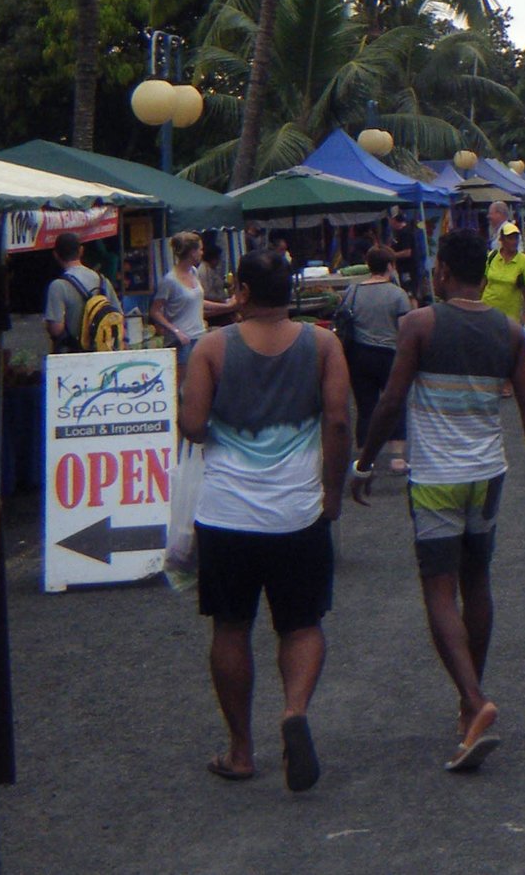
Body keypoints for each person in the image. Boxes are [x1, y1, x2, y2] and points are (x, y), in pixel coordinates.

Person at [349, 230, 525, 774]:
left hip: (437, 476)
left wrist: (365, 459)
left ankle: (472, 699)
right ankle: (471, 703)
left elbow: (392, 398)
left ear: (441, 271)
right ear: (485, 276)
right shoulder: (509, 331)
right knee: (477, 581)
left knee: (439, 592)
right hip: (488, 474)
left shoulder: (420, 325)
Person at [180, 247, 352, 791]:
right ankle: (294, 711)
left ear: (244, 294)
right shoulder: (324, 345)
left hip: (225, 514)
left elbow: (193, 425)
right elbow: (338, 421)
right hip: (297, 513)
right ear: (291, 293)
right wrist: (332, 492)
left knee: (231, 627)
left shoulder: (212, 347)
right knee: (302, 624)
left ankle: (240, 751)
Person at [334, 246, 413, 461]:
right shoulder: (398, 294)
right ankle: (397, 457)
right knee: (395, 403)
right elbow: (405, 330)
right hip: (389, 355)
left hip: (358, 355)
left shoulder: (353, 291)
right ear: (390, 266)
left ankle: (364, 458)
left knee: (365, 406)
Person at [151, 231, 220, 364]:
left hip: (199, 335)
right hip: (181, 340)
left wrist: (227, 306)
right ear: (192, 252)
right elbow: (155, 311)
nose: (202, 253)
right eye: (200, 249)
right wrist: (175, 330)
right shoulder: (170, 280)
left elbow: (198, 301)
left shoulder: (193, 272)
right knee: (183, 381)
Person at [43, 231, 115, 352]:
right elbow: (117, 314)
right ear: (81, 251)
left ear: (55, 255)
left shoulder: (58, 286)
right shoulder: (102, 281)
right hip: (102, 352)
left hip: (73, 353)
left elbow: (56, 329)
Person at [481, 224, 525, 327]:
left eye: (515, 239)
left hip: (510, 313)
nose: (513, 242)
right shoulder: (492, 256)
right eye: (510, 238)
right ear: (502, 240)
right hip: (488, 308)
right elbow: (483, 281)